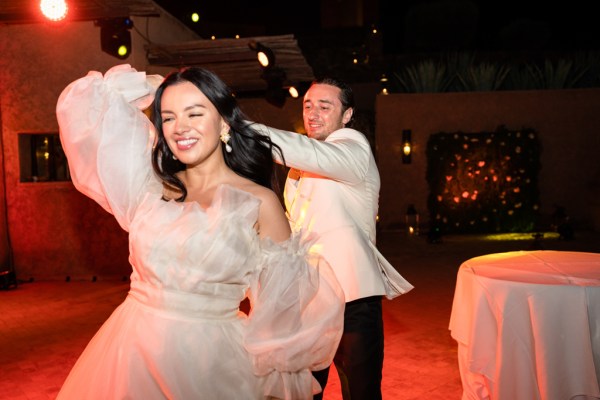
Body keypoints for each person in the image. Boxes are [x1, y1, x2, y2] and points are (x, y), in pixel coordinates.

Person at [55, 64, 345, 399]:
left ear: (223, 121)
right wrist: (151, 85)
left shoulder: (259, 202)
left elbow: (284, 316)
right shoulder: (149, 188)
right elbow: (84, 106)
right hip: (130, 349)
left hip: (211, 360)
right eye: (168, 117)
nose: (180, 128)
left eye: (195, 113)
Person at [252, 77, 414, 400]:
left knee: (361, 393)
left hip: (353, 299)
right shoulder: (303, 165)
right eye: (308, 105)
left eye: (325, 106)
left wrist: (246, 131)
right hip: (310, 299)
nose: (313, 113)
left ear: (347, 115)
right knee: (304, 391)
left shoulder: (354, 148)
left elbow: (313, 154)